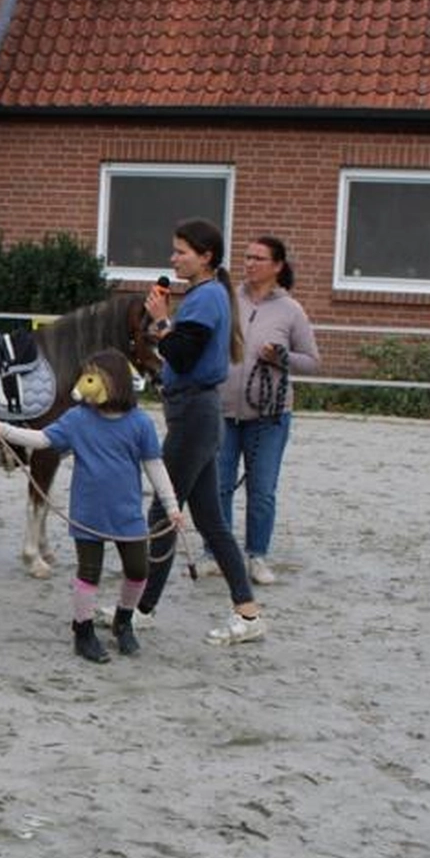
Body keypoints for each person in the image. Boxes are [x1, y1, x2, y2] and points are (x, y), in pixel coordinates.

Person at [0, 350, 181, 662]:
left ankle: (124, 621)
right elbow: (43, 439)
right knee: (89, 574)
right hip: (88, 513)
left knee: (138, 571)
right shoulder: (78, 419)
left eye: (95, 376)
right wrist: (4, 430)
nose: (88, 382)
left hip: (127, 514)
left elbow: (154, 465)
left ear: (116, 381)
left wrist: (171, 506)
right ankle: (83, 631)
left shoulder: (140, 423)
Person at [137, 218, 267, 645]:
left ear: (206, 256)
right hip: (195, 411)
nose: (173, 258)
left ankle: (140, 609)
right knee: (210, 521)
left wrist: (161, 321)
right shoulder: (206, 295)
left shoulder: (206, 297)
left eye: (182, 252)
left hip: (194, 413)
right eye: (174, 250)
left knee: (162, 512)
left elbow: (183, 355)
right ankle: (246, 612)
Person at [213, 235, 321, 585]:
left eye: (258, 258)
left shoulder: (291, 310)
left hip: (270, 415)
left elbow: (312, 362)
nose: (250, 263)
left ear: (277, 266)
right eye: (247, 257)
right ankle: (217, 553)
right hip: (223, 410)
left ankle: (256, 555)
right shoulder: (228, 300)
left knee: (261, 489)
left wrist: (281, 357)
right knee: (219, 485)